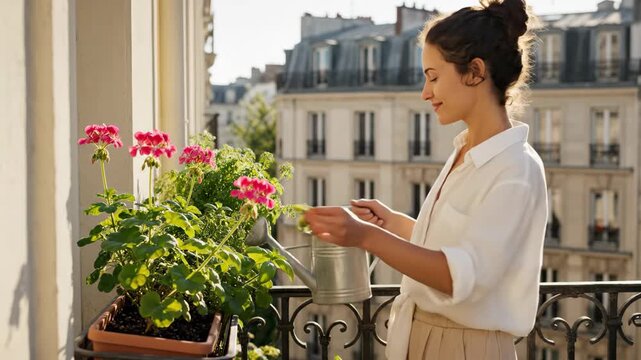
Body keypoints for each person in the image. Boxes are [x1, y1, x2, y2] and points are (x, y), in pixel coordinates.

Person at [303, 0, 548, 358]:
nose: (425, 92)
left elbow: (458, 277)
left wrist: (367, 237)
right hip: (426, 337)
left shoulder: (515, 168)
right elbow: (456, 247)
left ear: (475, 72)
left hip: (467, 346)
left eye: (433, 76)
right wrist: (393, 224)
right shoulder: (467, 153)